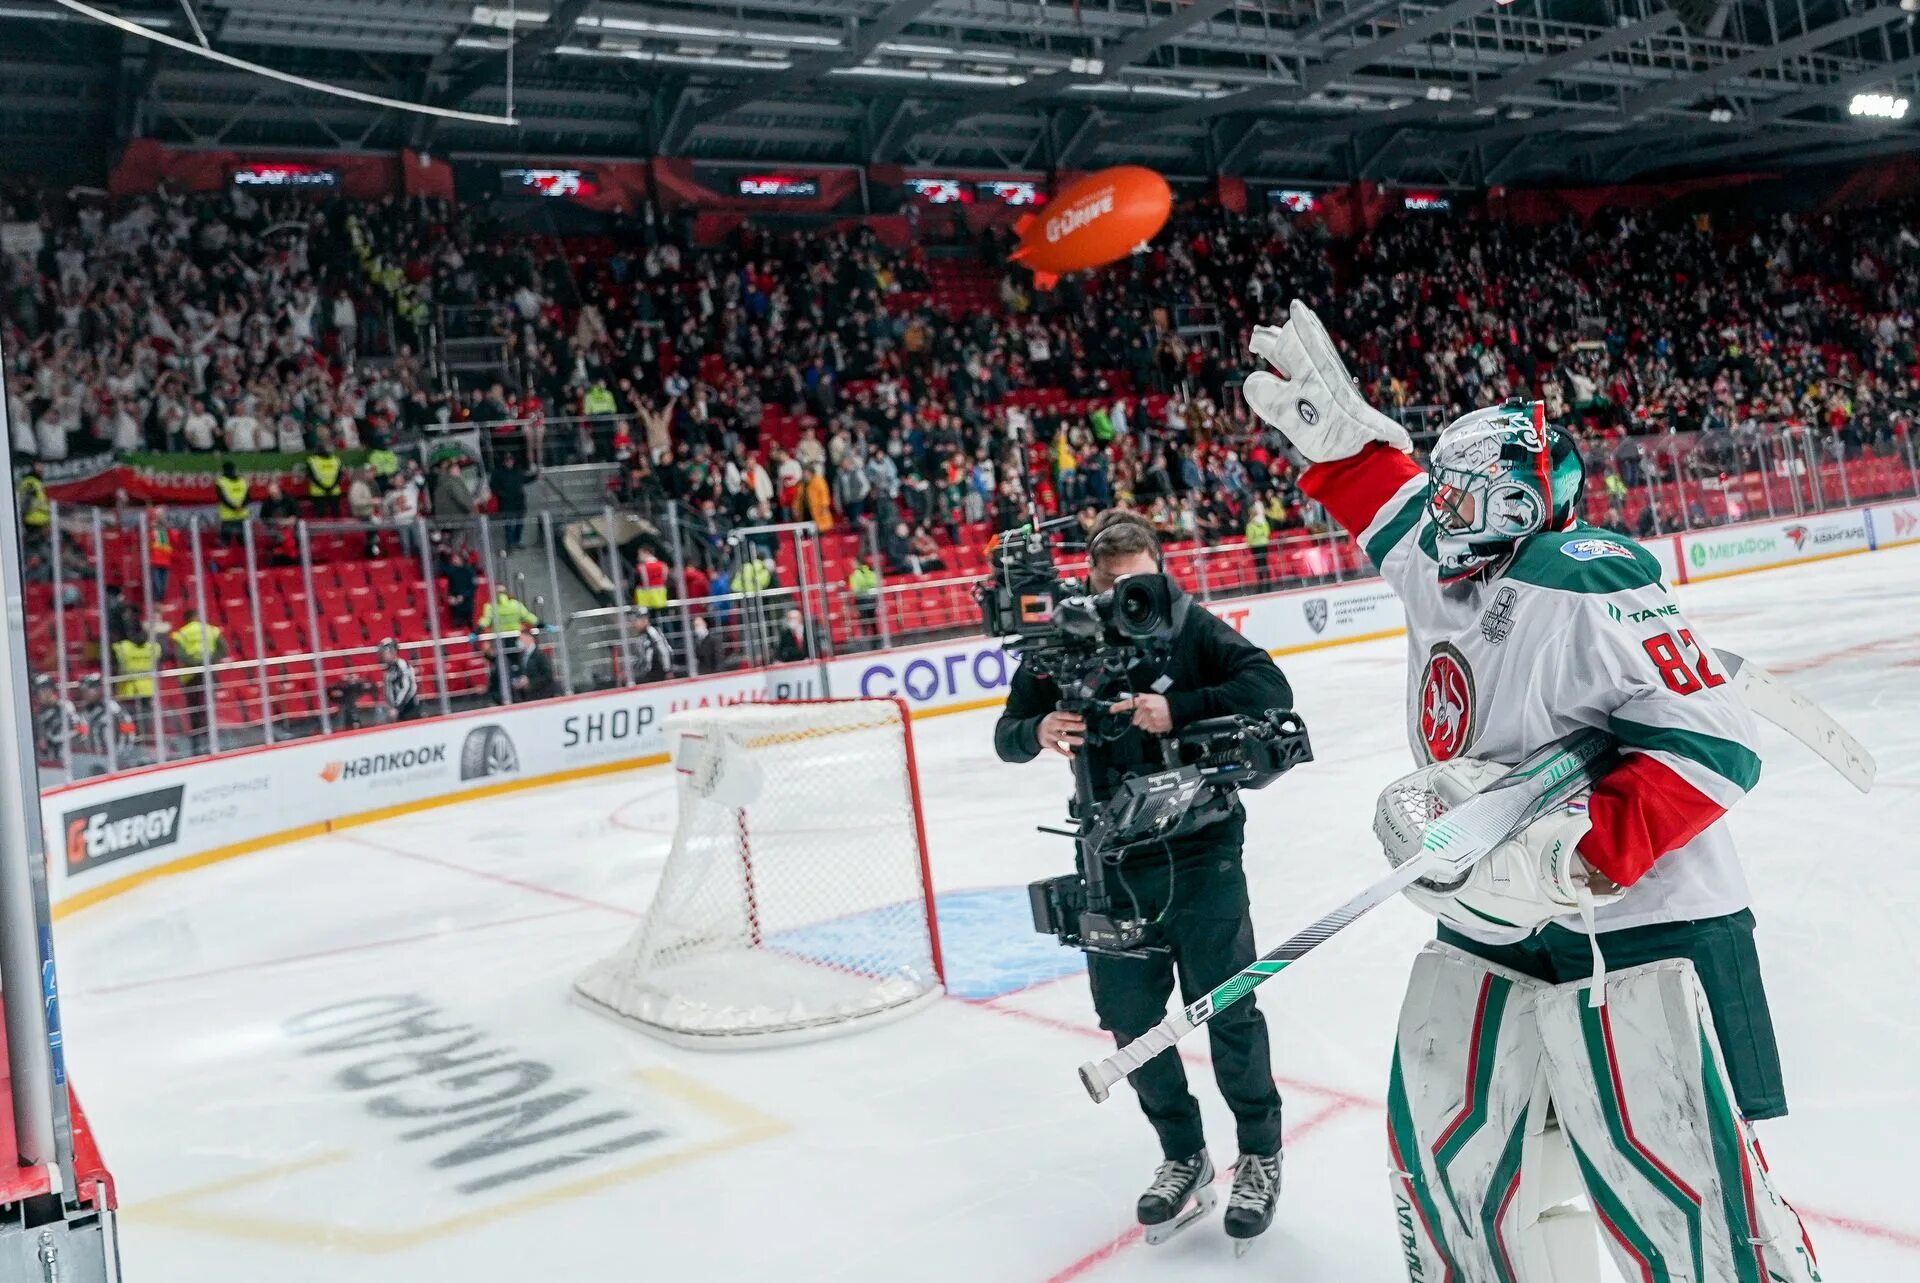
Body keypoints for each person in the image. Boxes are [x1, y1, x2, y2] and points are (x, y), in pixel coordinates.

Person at [1242, 301, 1817, 1283]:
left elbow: (1718, 744)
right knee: (1449, 1163)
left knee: (1682, 1195)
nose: (1441, 512)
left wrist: (1581, 852)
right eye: (1444, 493)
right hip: (1495, 918)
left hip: (1640, 929)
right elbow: (1392, 506)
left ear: (1520, 508)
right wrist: (1346, 452)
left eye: (1464, 498)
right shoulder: (1449, 561)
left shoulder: (1583, 580)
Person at [992, 509, 1291, 1249]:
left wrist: (1178, 707)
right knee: (1130, 1022)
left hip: (1202, 850)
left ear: (1160, 571)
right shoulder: (1061, 640)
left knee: (1227, 1008)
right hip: (1111, 859)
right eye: (1105, 585)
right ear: (1087, 581)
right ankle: (1183, 1154)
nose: (1119, 601)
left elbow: (1269, 686)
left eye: (1135, 584)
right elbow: (1006, 735)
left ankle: (1259, 1152)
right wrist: (1037, 730)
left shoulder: (1191, 625)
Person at [169, 606, 226, 749]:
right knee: (208, 704)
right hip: (208, 673)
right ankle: (209, 733)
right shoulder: (212, 630)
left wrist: (196, 663)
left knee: (193, 706)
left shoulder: (181, 633)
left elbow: (180, 655)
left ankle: (196, 736)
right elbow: (223, 650)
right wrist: (208, 661)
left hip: (190, 675)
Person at [624, 607, 674, 684]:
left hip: (657, 673)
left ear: (645, 620)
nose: (634, 624)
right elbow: (640, 658)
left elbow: (664, 651)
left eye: (636, 621)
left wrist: (668, 670)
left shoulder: (652, 633)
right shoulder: (641, 636)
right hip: (647, 673)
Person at [378, 638, 420, 721]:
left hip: (408, 709)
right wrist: (391, 707)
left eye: (384, 652)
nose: (382, 655)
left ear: (393, 651)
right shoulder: (389, 670)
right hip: (396, 710)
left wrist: (397, 707)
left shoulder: (402, 666)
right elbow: (388, 690)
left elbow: (407, 688)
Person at [214, 461, 251, 547]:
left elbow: (222, 498)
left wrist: (234, 508)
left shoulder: (221, 481)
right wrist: (241, 507)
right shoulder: (243, 480)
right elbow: (248, 497)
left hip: (228, 516)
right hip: (242, 515)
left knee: (226, 544)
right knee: (244, 544)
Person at [306, 441, 344, 518]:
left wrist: (325, 488)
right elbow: (311, 476)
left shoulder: (336, 460)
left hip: (325, 492)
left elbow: (340, 475)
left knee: (334, 514)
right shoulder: (312, 460)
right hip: (326, 492)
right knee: (323, 515)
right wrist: (330, 487)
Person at [847, 558, 880, 648]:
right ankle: (876, 642)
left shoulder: (856, 574)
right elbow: (874, 583)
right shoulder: (869, 571)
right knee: (873, 621)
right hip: (871, 598)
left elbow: (855, 588)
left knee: (864, 621)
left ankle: (867, 643)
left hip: (861, 599)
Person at [146, 506, 173, 605]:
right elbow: (147, 544)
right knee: (158, 586)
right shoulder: (152, 532)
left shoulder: (167, 532)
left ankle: (160, 603)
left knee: (163, 587)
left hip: (166, 562)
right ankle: (156, 603)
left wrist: (167, 527)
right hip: (156, 562)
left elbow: (175, 541)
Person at [1244, 501, 1272, 588]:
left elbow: (1250, 536)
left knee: (1258, 564)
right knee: (1264, 563)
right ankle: (1268, 583)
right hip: (1263, 544)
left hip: (1255, 545)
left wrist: (1249, 542)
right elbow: (1267, 533)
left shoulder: (1250, 525)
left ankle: (1261, 583)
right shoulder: (1264, 523)